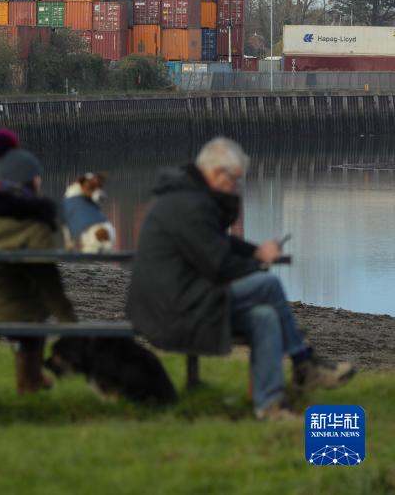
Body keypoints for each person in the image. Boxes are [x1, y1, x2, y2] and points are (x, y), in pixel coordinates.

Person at [126, 137, 355, 420]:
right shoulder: (187, 204)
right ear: (215, 172)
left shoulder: (188, 195)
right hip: (170, 307)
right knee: (268, 285)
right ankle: (304, 365)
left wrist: (256, 251)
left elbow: (218, 241)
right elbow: (219, 266)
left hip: (183, 296)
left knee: (264, 318)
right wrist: (259, 262)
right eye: (233, 180)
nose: (235, 187)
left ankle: (269, 405)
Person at [0, 148, 76, 324]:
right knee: (36, 310)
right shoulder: (35, 224)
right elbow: (48, 277)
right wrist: (68, 318)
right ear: (32, 182)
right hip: (20, 311)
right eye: (37, 177)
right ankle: (29, 352)